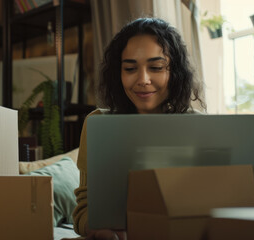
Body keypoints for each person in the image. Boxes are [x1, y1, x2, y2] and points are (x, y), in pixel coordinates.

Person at [71, 17, 205, 240]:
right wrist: (99, 230)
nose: (143, 79)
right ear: (118, 73)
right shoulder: (98, 124)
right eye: (130, 68)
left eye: (156, 67)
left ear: (175, 73)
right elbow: (84, 208)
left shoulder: (199, 126)